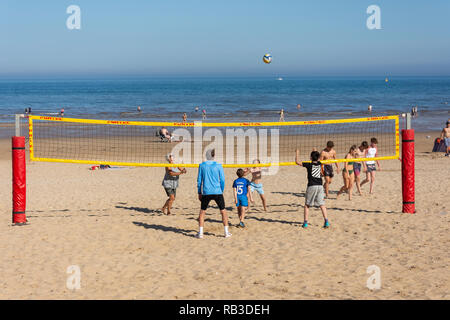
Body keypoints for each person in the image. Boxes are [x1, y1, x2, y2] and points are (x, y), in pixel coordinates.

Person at [196, 149, 231, 239]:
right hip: (217, 191)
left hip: (206, 192)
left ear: (206, 156)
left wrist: (199, 192)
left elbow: (199, 180)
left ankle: (200, 233)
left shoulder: (202, 165)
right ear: (214, 156)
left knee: (202, 212)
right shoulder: (219, 166)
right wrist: (221, 190)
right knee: (223, 211)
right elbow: (222, 180)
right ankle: (226, 233)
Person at [295, 149, 330, 229]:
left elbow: (297, 162)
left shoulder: (309, 165)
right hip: (320, 186)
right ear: (318, 158)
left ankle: (305, 223)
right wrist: (315, 151)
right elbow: (317, 158)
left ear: (310, 158)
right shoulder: (320, 163)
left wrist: (297, 153)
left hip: (312, 186)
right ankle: (326, 221)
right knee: (322, 205)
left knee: (307, 205)